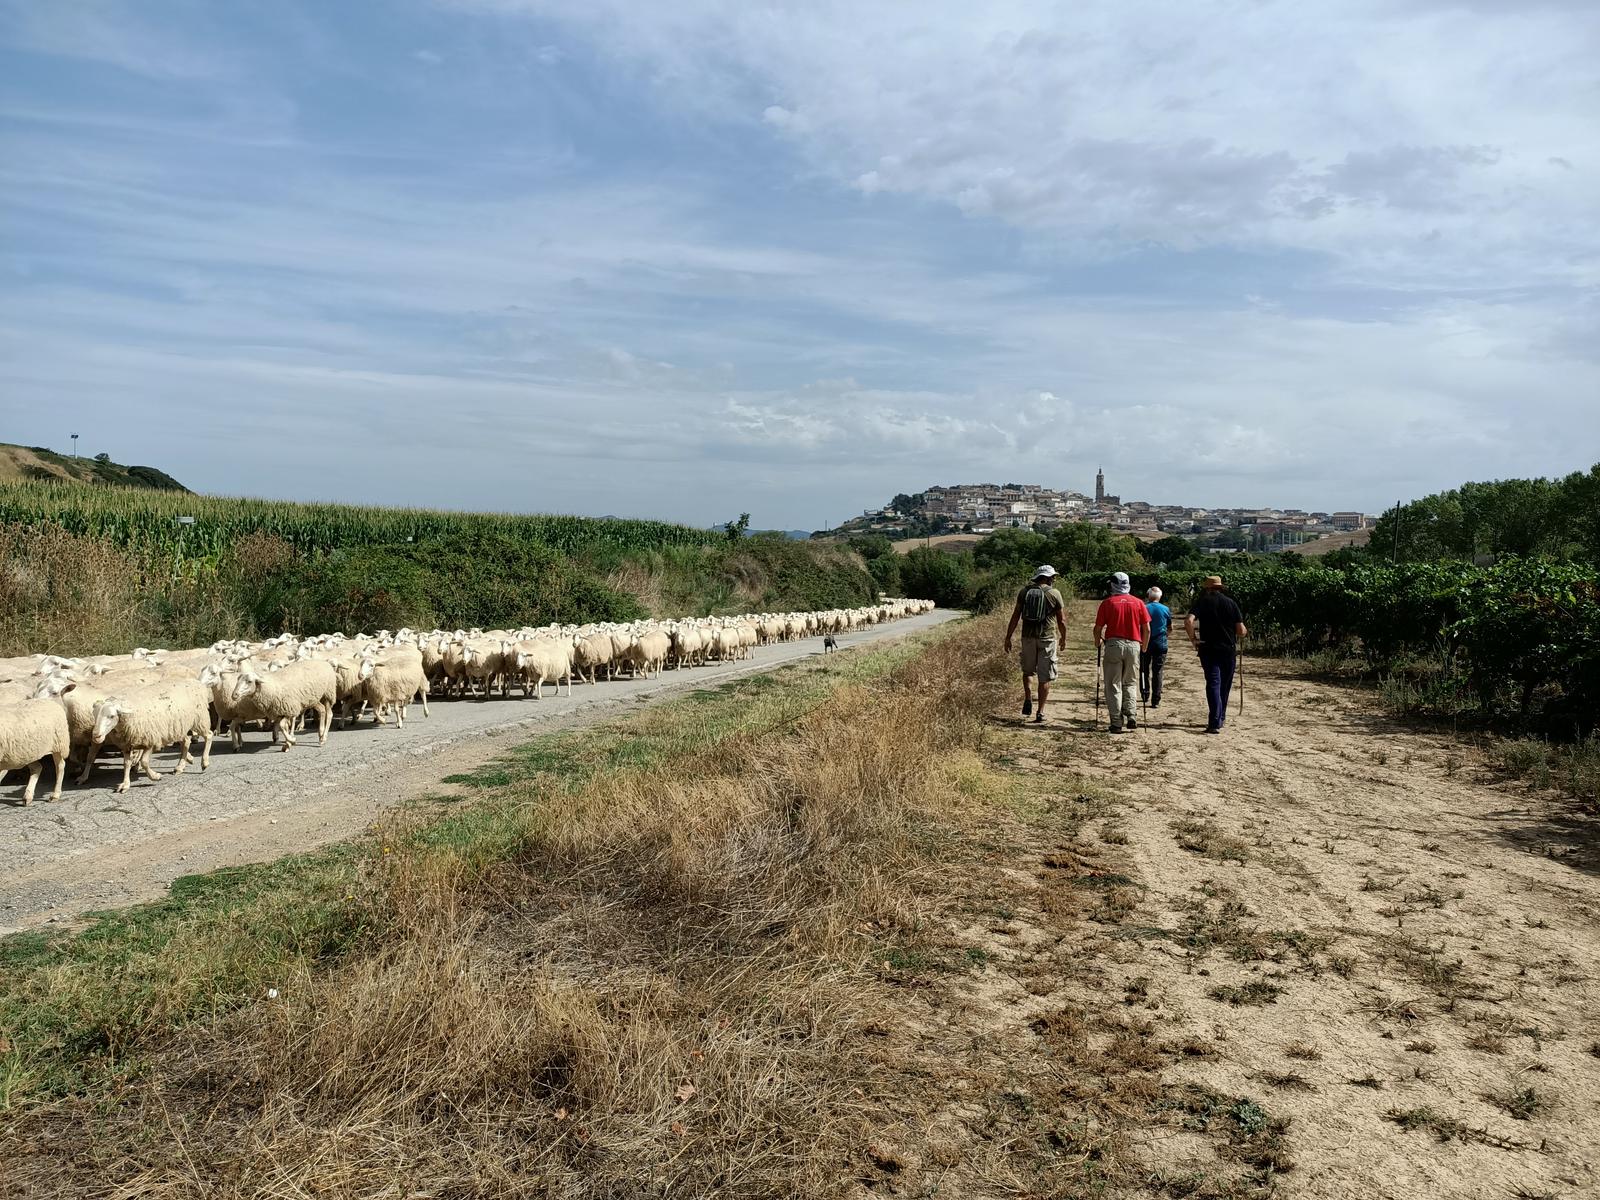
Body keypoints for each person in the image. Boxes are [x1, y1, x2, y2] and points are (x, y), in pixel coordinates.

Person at [1003, 564, 1067, 724]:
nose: (1054, 579)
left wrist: (1008, 637)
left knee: (1028, 672)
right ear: (1046, 577)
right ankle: (1040, 712)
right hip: (1047, 639)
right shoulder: (1054, 593)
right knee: (1045, 677)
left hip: (1027, 638)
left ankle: (1028, 697)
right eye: (1052, 577)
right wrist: (1063, 637)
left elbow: (1016, 615)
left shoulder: (1024, 592)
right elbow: (1062, 620)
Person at [1185, 574, 1248, 734]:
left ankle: (1214, 721)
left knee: (1213, 682)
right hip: (1227, 650)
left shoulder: (1202, 602)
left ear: (1207, 588)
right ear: (1220, 587)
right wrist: (1243, 631)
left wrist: (1194, 639)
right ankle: (1221, 718)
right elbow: (1240, 631)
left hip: (1208, 649)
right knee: (1225, 685)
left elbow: (1188, 621)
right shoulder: (1231, 603)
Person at [1094, 571, 1150, 733]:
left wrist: (1097, 642)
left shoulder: (1108, 603)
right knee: (1130, 682)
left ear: (1113, 584)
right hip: (1134, 645)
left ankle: (1116, 722)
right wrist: (1144, 646)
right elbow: (1146, 628)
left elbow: (1098, 628)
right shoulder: (1138, 603)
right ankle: (1131, 714)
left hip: (1113, 645)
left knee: (1113, 684)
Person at [1140, 586, 1171, 708]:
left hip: (1145, 642)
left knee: (1144, 669)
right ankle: (1156, 699)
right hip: (1160, 643)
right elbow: (1170, 627)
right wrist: (1165, 635)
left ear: (1148, 596)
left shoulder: (1143, 607)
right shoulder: (1166, 609)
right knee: (1158, 671)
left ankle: (1144, 693)